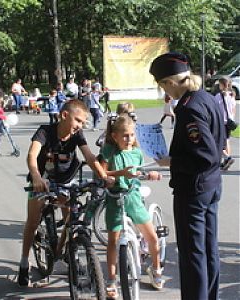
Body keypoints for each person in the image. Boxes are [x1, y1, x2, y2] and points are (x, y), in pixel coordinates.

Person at [149, 52, 225, 300]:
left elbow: (205, 155)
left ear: (169, 82)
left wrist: (171, 161)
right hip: (211, 185)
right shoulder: (206, 98)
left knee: (193, 254)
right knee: (208, 251)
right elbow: (220, 140)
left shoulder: (189, 108)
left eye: (162, 86)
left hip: (194, 188)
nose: (163, 92)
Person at [17, 99, 114, 287]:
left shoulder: (77, 136)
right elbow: (31, 155)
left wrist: (103, 176)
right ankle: (23, 262)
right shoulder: (45, 131)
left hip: (66, 180)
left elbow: (89, 156)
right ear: (64, 116)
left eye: (83, 123)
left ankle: (64, 254)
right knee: (33, 221)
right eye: (78, 121)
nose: (80, 126)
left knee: (71, 219)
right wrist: (36, 177)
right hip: (42, 179)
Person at [99, 115, 164, 299]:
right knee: (112, 240)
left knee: (151, 237)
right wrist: (116, 175)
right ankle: (111, 280)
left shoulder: (136, 152)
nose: (129, 139)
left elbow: (140, 171)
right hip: (115, 199)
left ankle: (156, 268)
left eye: (132, 135)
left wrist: (150, 174)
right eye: (125, 136)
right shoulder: (109, 151)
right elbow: (102, 172)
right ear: (115, 136)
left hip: (133, 198)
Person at [215, 76, 236, 170]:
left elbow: (214, 108)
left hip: (221, 121)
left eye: (219, 84)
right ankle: (226, 159)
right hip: (230, 121)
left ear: (222, 85)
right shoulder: (232, 95)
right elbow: (233, 109)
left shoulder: (219, 96)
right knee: (227, 140)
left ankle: (227, 158)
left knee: (219, 141)